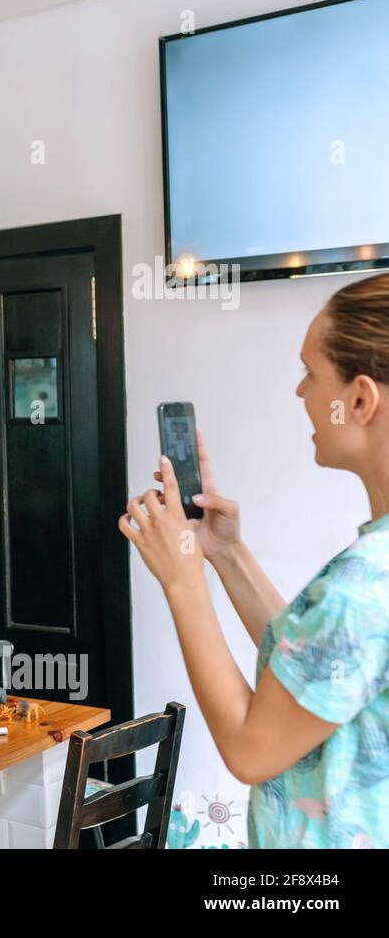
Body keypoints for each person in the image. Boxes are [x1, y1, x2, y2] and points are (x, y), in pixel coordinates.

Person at [120, 272, 389, 848]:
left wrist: (182, 578)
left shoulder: (363, 585)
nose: (300, 394)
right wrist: (225, 553)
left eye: (309, 373)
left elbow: (249, 749)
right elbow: (312, 670)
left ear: (361, 400)